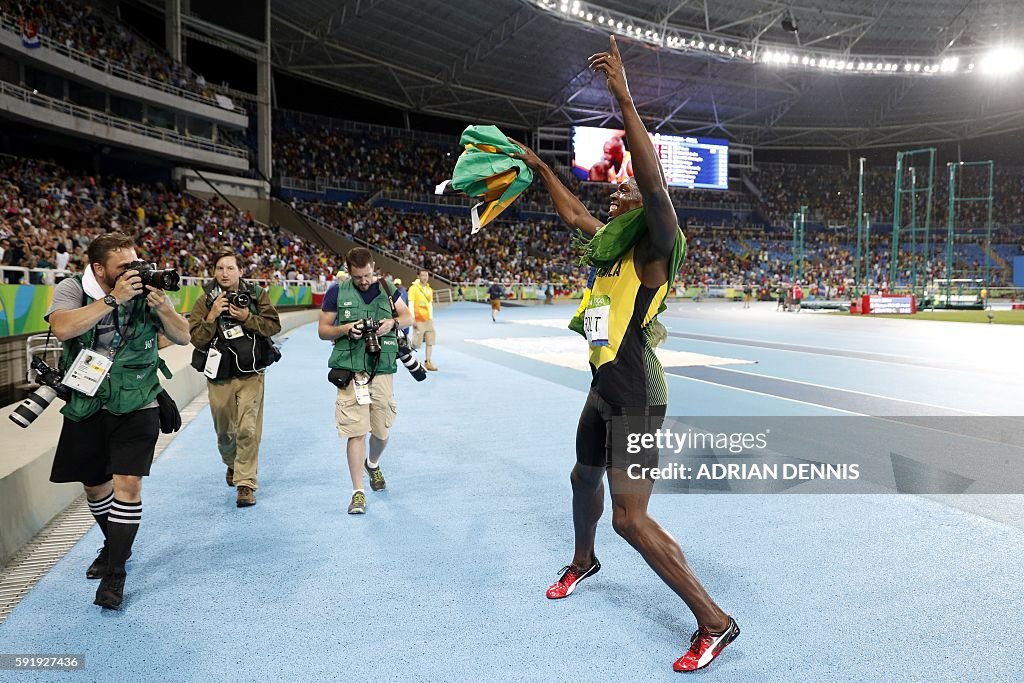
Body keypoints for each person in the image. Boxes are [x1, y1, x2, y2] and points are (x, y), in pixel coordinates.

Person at [508, 36, 738, 673]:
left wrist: (623, 98)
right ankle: (583, 562)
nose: (616, 196)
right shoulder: (613, 245)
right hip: (602, 388)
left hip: (637, 398)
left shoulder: (656, 246)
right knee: (581, 478)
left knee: (631, 520)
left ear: (647, 205)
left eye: (625, 192)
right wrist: (541, 167)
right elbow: (576, 212)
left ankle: (714, 621)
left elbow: (655, 183)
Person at [46, 233, 190, 610]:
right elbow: (62, 328)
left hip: (139, 401)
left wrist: (164, 309)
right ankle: (114, 545)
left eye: (135, 263)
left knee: (127, 484)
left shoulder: (147, 291)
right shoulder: (73, 287)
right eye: (123, 267)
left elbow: (182, 336)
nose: (134, 271)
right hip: (87, 402)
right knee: (95, 488)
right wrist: (113, 300)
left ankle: (116, 572)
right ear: (99, 269)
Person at [318, 247, 413, 515]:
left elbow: (407, 317)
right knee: (355, 431)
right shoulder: (337, 291)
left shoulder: (386, 287)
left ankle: (373, 464)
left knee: (381, 431)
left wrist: (391, 324)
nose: (364, 281)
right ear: (349, 271)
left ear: (374, 267)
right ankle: (357, 492)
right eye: (358, 277)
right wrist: (346, 329)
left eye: (368, 275)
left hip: (382, 368)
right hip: (351, 371)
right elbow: (323, 330)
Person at [189, 250, 281, 507]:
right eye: (220, 268)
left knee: (248, 429)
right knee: (225, 432)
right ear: (214, 272)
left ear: (240, 270)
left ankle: (245, 484)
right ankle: (232, 464)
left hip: (252, 372)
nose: (225, 273)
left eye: (230, 268)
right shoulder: (205, 301)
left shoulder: (255, 295)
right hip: (220, 375)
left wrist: (247, 318)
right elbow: (196, 338)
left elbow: (273, 326)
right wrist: (212, 315)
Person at [407, 269, 438, 371]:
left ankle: (428, 361)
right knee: (416, 343)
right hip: (418, 319)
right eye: (423, 275)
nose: (425, 277)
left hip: (428, 319)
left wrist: (431, 318)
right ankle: (407, 358)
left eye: (426, 275)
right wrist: (412, 319)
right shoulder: (413, 289)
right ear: (418, 276)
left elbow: (430, 305)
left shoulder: (429, 289)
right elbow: (411, 304)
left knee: (430, 341)